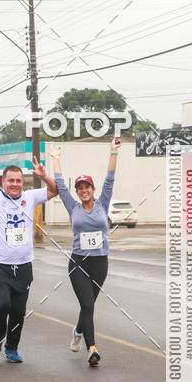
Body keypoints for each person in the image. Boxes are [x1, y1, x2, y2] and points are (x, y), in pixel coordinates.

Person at [0, 151, 57, 363]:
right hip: (0, 265)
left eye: (18, 181)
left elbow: (55, 190)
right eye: (11, 181)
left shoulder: (30, 197)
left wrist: (43, 175)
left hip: (24, 266)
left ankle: (12, 347)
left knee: (18, 311)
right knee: (1, 305)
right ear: (3, 182)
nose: (15, 184)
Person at [50, 137, 121, 366]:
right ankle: (92, 349)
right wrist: (55, 159)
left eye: (86, 187)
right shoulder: (73, 207)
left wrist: (113, 152)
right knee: (88, 305)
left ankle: (78, 332)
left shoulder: (102, 203)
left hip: (100, 262)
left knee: (88, 305)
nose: (83, 191)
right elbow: (60, 185)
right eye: (79, 188)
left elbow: (110, 178)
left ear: (93, 189)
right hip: (79, 262)